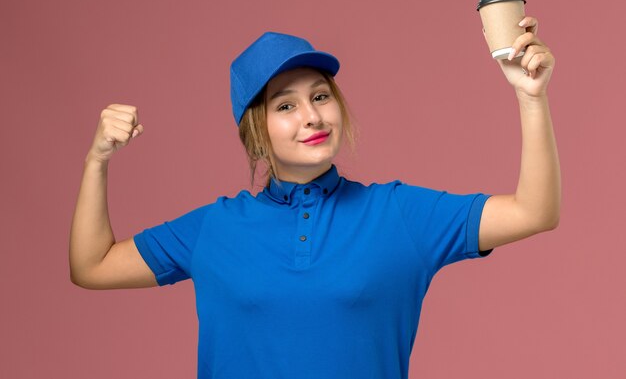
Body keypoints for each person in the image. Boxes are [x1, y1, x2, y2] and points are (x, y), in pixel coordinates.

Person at [69, 19, 560, 379]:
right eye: (286, 105)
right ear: (255, 131)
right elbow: (91, 266)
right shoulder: (214, 229)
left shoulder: (398, 214)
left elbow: (534, 211)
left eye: (320, 96)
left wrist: (531, 97)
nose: (312, 116)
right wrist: (97, 161)